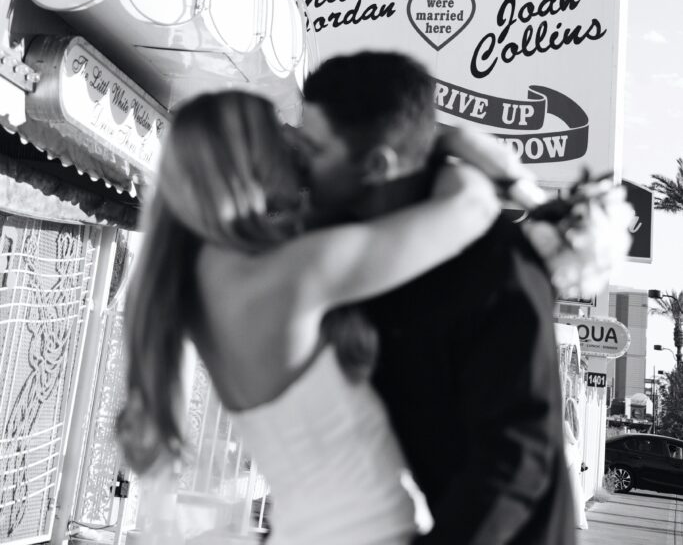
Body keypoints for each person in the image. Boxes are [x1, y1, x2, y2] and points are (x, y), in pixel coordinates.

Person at [117, 89, 505, 545]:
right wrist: (433, 140)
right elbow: (473, 206)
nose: (295, 143)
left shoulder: (202, 279)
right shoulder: (289, 274)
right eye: (277, 134)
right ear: (250, 160)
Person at [300, 50, 577, 545]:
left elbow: (515, 464)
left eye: (316, 151)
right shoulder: (364, 248)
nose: (302, 166)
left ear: (378, 166)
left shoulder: (496, 267)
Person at [563, 396, 589, 531]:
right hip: (575, 456)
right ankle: (577, 518)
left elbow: (571, 440)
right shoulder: (578, 424)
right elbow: (577, 441)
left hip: (567, 454)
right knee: (575, 487)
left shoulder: (565, 423)